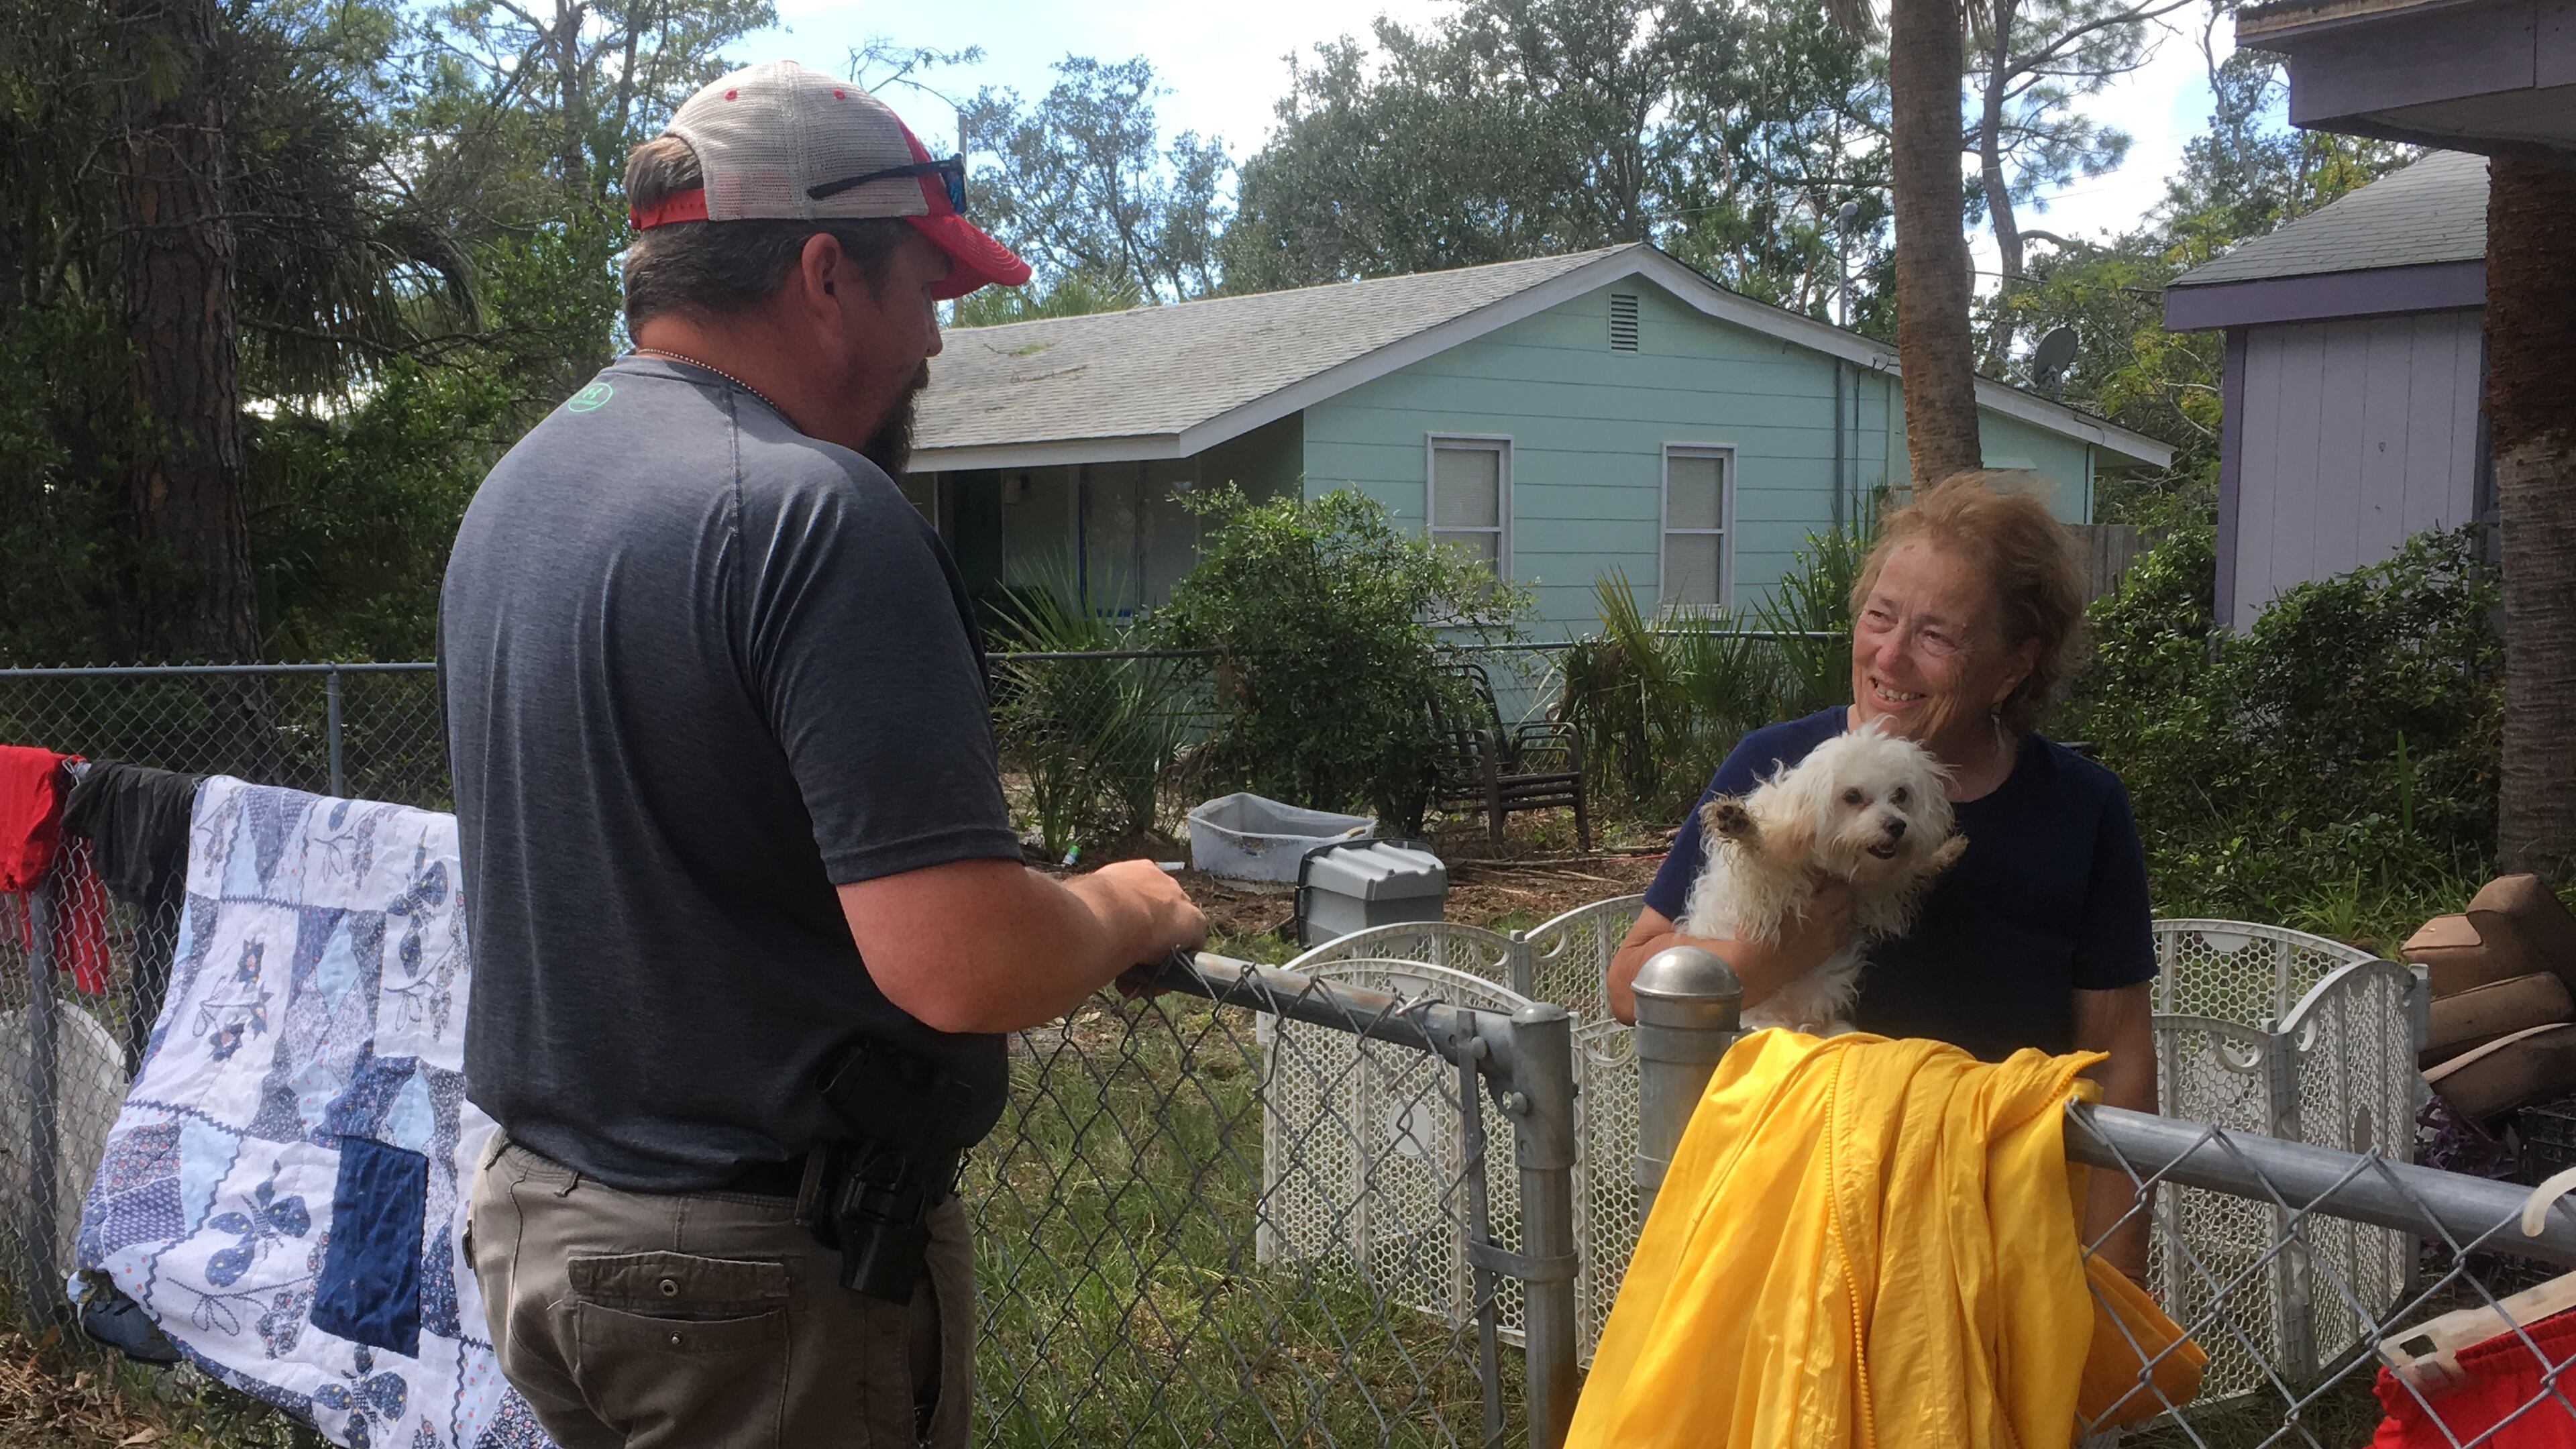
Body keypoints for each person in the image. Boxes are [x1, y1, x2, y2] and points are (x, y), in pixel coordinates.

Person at [439, 61, 1206, 1449]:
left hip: (540, 1228)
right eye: (925, 288)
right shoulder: (812, 513)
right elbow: (960, 958)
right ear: (823, 274)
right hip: (745, 1283)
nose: (934, 342)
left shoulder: (526, 486)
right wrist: (1127, 907)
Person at [1605, 472, 2156, 1273]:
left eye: (1938, 636)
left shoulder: (2081, 807)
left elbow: (2120, 1052)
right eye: (1880, 616)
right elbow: (1630, 987)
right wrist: (1773, 959)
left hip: (1992, 1223)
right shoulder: (1775, 772)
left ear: (2012, 666)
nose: (1890, 656)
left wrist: (2112, 1277)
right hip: (1785, 1217)